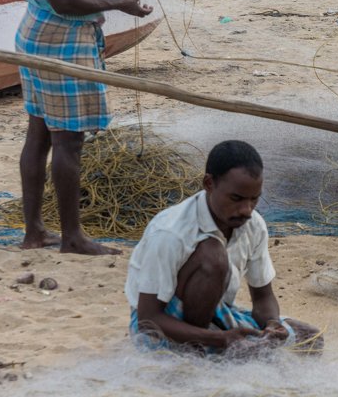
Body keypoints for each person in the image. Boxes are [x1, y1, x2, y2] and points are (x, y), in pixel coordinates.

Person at [15, 0, 161, 255]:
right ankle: (72, 237)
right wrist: (118, 4)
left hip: (43, 33)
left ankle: (35, 232)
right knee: (67, 140)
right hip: (59, 37)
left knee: (41, 131)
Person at [126, 140, 322, 352]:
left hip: (214, 314)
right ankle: (196, 351)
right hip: (160, 329)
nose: (247, 210)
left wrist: (272, 324)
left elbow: (263, 296)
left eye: (254, 199)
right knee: (214, 256)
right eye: (236, 198)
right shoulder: (170, 232)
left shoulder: (253, 225)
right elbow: (149, 318)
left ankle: (212, 345)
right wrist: (220, 339)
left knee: (310, 338)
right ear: (209, 184)